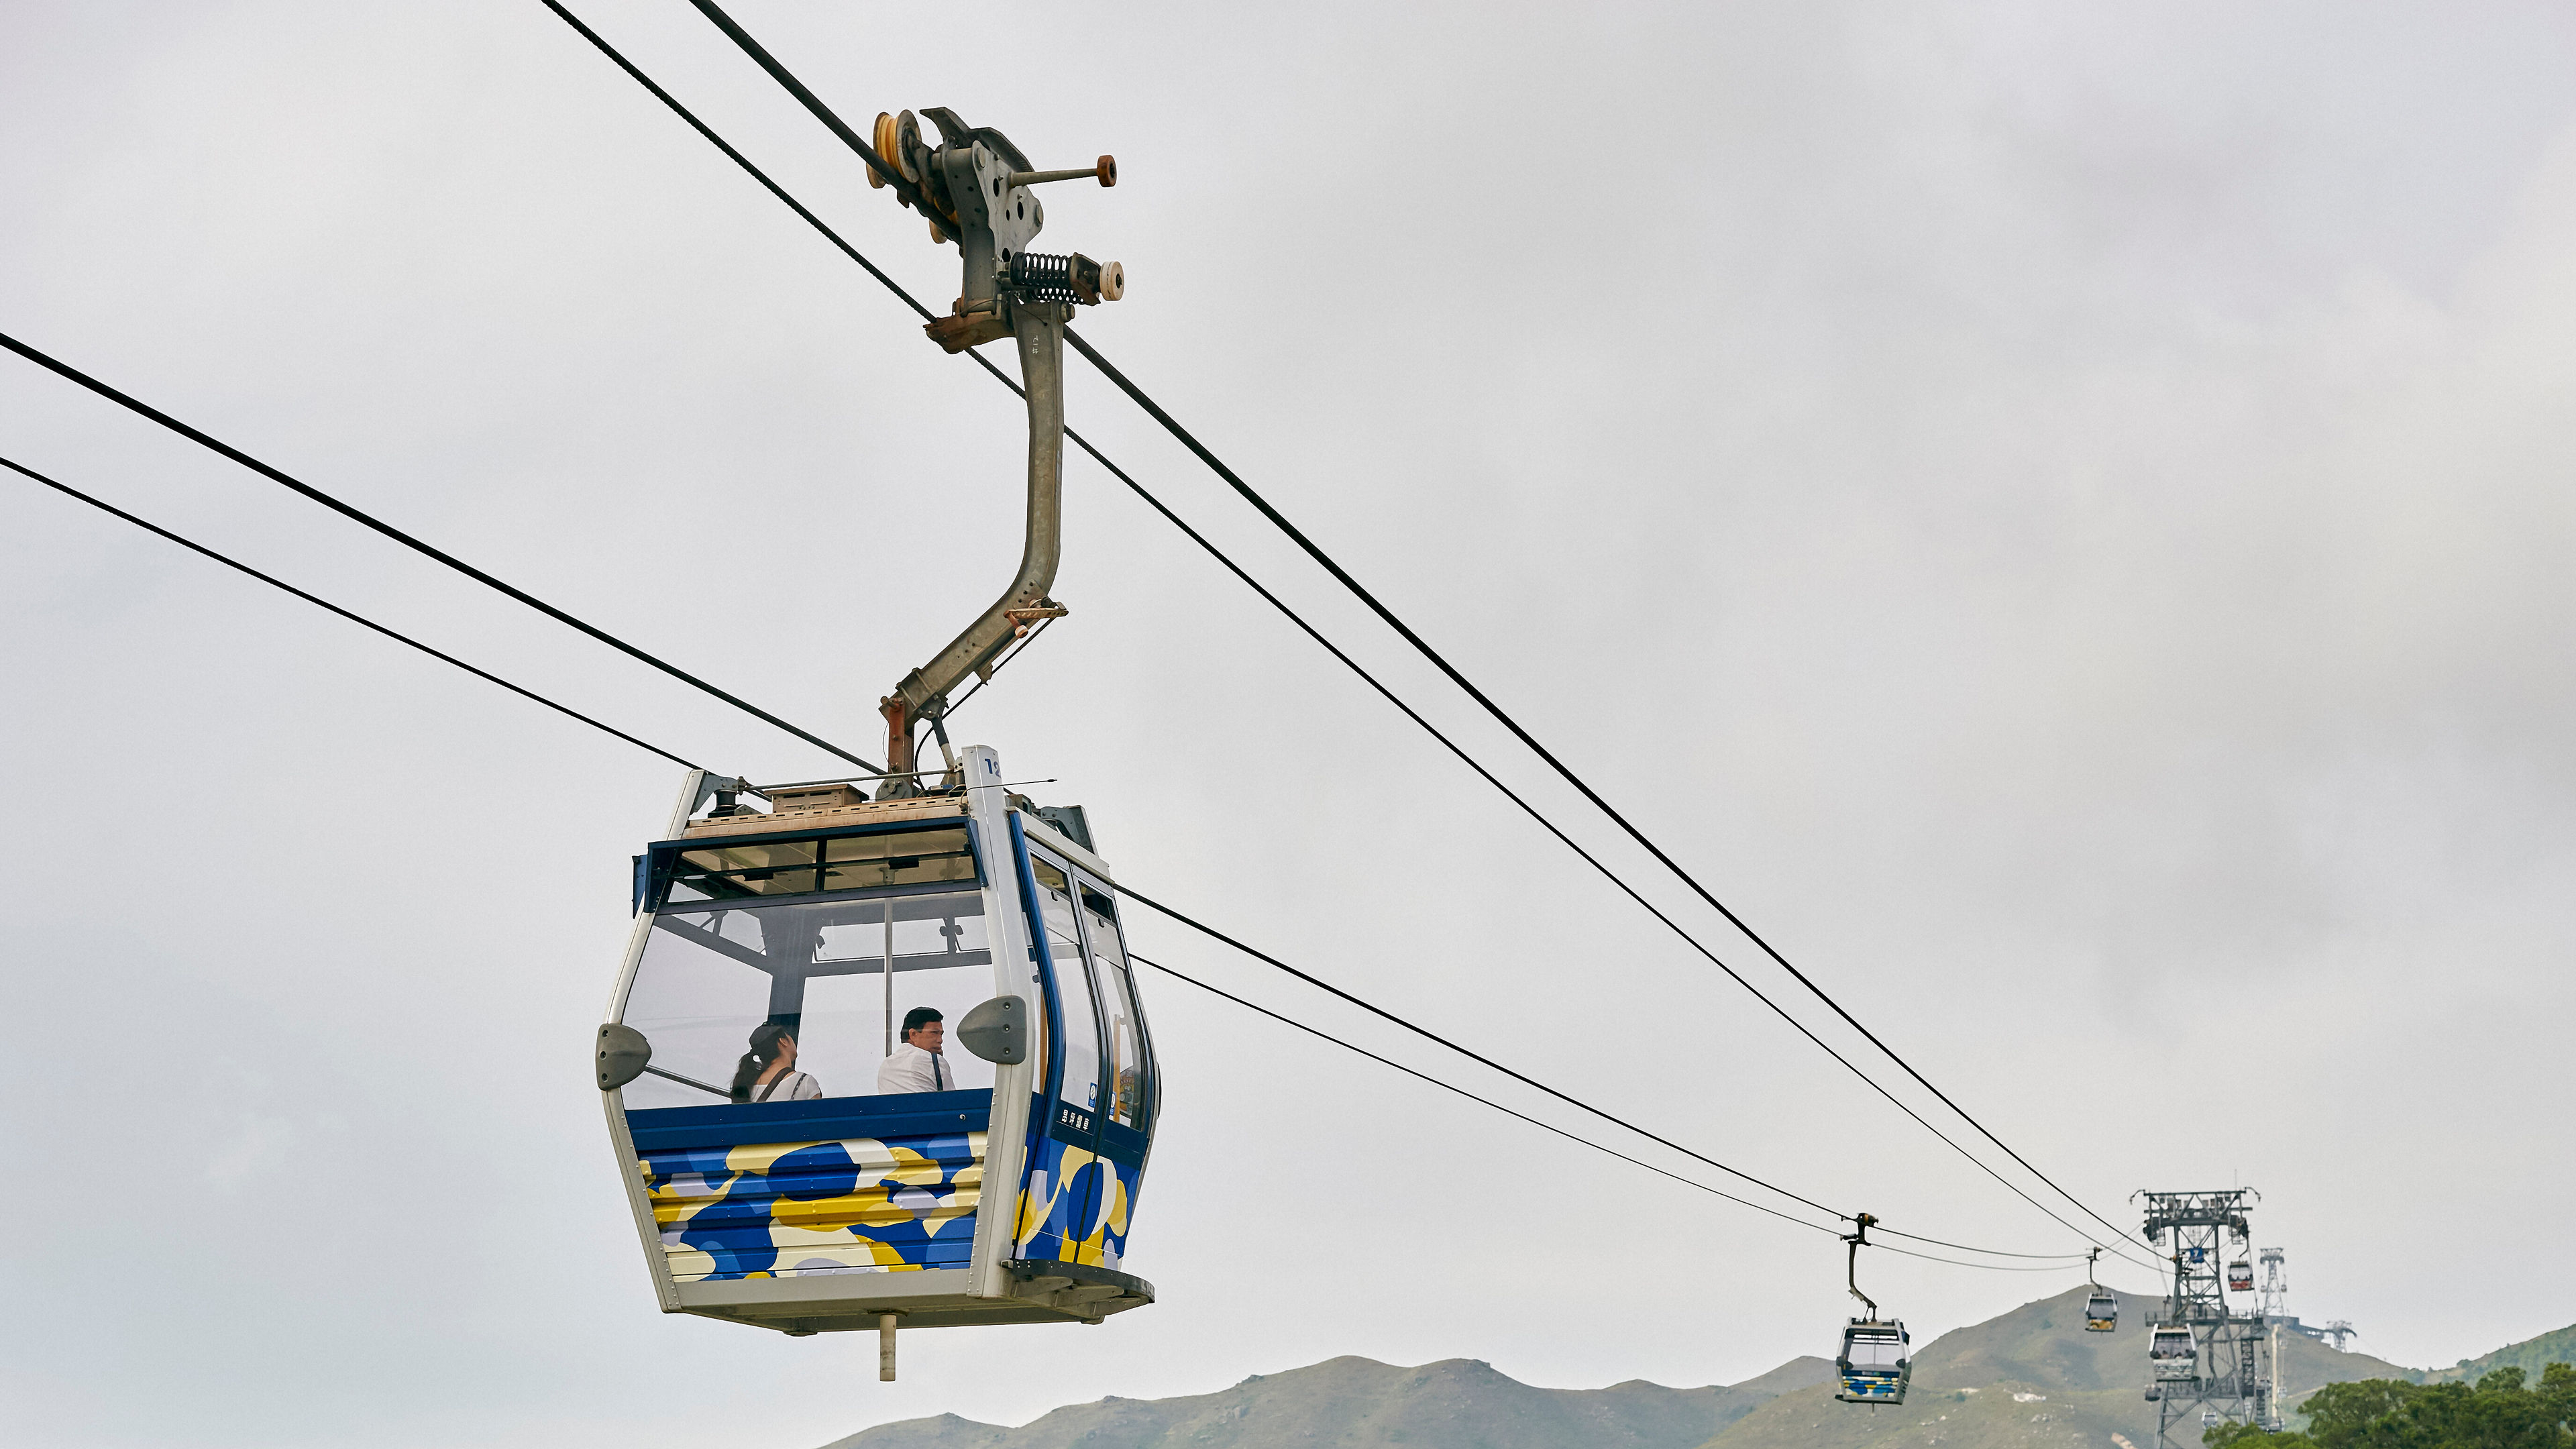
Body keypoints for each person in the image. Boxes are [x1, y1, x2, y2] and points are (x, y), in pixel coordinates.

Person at [730, 1020, 821, 1103]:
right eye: (789, 1036)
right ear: (783, 1041)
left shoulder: (746, 1085)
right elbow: (818, 1118)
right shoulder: (804, 1082)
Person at [876, 1007, 953, 1093]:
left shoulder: (885, 1066)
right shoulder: (933, 1061)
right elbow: (953, 1102)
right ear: (913, 1034)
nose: (940, 1040)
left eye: (941, 1034)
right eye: (934, 1033)